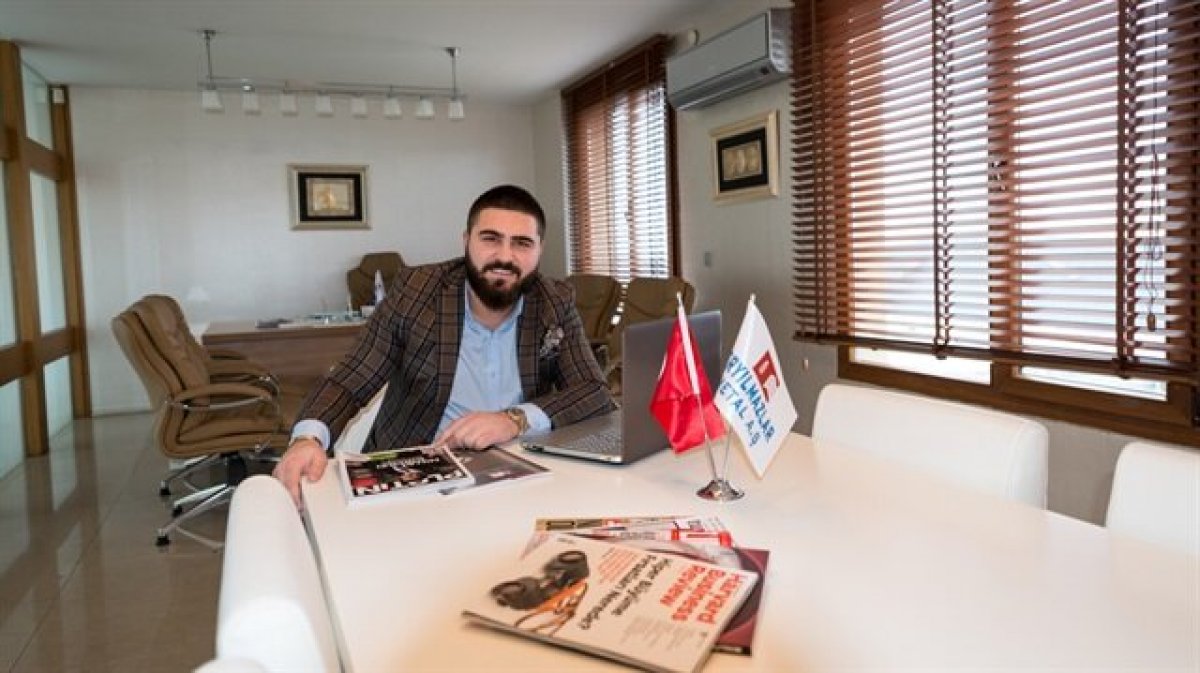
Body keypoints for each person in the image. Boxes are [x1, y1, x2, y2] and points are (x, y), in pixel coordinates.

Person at [274, 185, 616, 505]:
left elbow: (593, 391)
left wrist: (514, 420)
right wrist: (307, 439)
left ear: (540, 250)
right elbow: (350, 379)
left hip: (520, 473)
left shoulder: (554, 301)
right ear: (466, 241)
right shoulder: (416, 292)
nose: (505, 256)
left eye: (522, 243)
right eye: (491, 239)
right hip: (418, 474)